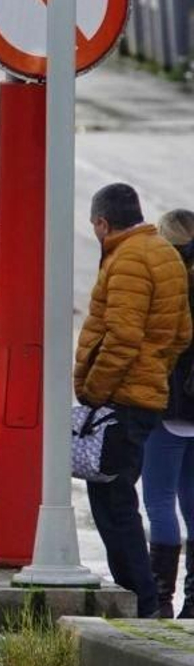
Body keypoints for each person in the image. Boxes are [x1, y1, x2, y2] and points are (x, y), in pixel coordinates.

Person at [75, 184, 192, 619]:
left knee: (113, 500)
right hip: (147, 394)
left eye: (94, 227)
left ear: (103, 223)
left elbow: (121, 337)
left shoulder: (126, 259)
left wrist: (94, 391)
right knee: (124, 494)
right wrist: (156, 370)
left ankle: (142, 600)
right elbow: (181, 333)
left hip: (120, 398)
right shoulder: (163, 253)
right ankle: (147, 597)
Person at [142, 209, 194, 618]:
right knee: (192, 501)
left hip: (167, 404)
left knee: (159, 499)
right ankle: (193, 602)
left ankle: (160, 599)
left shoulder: (163, 279)